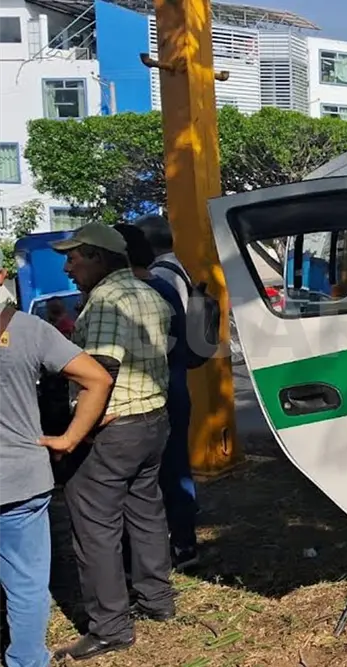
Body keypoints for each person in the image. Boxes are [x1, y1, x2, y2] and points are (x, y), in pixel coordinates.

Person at [49, 223, 176, 661]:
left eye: (74, 257)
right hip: (152, 420)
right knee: (145, 510)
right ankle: (157, 599)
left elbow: (98, 374)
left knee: (94, 527)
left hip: (113, 427)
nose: (67, 267)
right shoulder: (148, 291)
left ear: (98, 258)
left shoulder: (106, 300)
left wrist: (73, 434)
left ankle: (109, 627)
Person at [0, 272, 114, 667]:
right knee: (26, 581)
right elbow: (97, 379)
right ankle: (27, 660)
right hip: (20, 479)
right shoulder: (28, 329)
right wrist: (69, 439)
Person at [114, 223, 199, 570]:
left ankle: (162, 551)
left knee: (150, 478)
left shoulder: (141, 290)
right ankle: (184, 543)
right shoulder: (168, 278)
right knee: (176, 468)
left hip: (152, 393)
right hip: (175, 386)